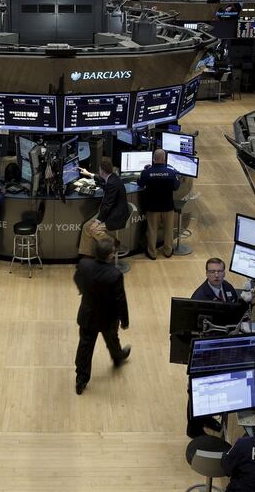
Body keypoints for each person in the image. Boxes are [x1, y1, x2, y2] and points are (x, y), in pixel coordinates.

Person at [73, 239, 131, 395]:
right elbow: (120, 300)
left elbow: (77, 278)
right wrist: (125, 321)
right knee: (112, 338)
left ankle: (81, 380)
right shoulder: (115, 274)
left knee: (85, 347)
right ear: (111, 255)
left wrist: (82, 290)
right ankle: (118, 357)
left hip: (88, 315)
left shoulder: (84, 264)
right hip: (108, 317)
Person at [77, 158, 130, 257]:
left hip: (115, 216)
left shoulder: (112, 183)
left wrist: (97, 222)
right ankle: (86, 257)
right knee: (86, 227)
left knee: (93, 229)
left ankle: (113, 243)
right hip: (109, 212)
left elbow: (108, 205)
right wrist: (89, 174)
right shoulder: (112, 177)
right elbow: (102, 180)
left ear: (101, 170)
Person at [137, 149, 180, 259]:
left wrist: (145, 171)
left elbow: (140, 183)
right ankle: (168, 251)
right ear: (164, 159)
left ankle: (152, 253)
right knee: (168, 230)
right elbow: (176, 187)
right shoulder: (171, 173)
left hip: (152, 208)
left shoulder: (146, 173)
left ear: (153, 159)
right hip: (168, 207)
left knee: (152, 231)